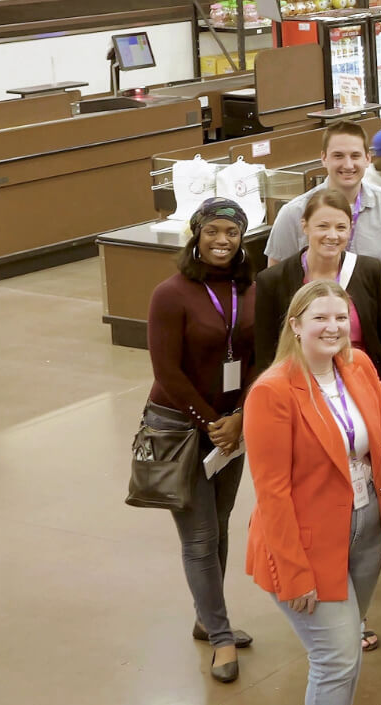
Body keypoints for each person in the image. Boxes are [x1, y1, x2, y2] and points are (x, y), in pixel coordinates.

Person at [243, 281, 381, 705]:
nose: (333, 328)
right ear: (295, 325)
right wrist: (293, 574)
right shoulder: (271, 392)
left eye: (339, 317)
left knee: (346, 653)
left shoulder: (359, 366)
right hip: (306, 543)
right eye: (320, 318)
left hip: (365, 530)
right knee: (335, 657)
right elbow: (271, 493)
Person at [145, 198, 258, 683]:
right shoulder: (170, 294)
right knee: (199, 536)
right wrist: (214, 422)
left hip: (232, 425)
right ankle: (220, 637)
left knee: (222, 523)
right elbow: (166, 371)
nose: (221, 241)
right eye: (212, 231)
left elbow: (261, 356)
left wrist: (240, 417)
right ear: (195, 233)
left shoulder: (249, 289)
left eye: (231, 233)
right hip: (180, 426)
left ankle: (206, 615)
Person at [264, 121, 381, 302]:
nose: (348, 165)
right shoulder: (293, 213)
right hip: (315, 325)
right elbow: (273, 284)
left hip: (378, 326)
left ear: (367, 159)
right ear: (324, 158)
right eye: (338, 156)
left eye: (355, 156)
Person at [254, 189, 381, 377]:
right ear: (305, 226)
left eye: (341, 228)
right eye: (323, 226)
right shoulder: (273, 280)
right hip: (300, 383)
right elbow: (266, 354)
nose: (332, 235)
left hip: (360, 380)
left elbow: (379, 339)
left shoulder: (368, 270)